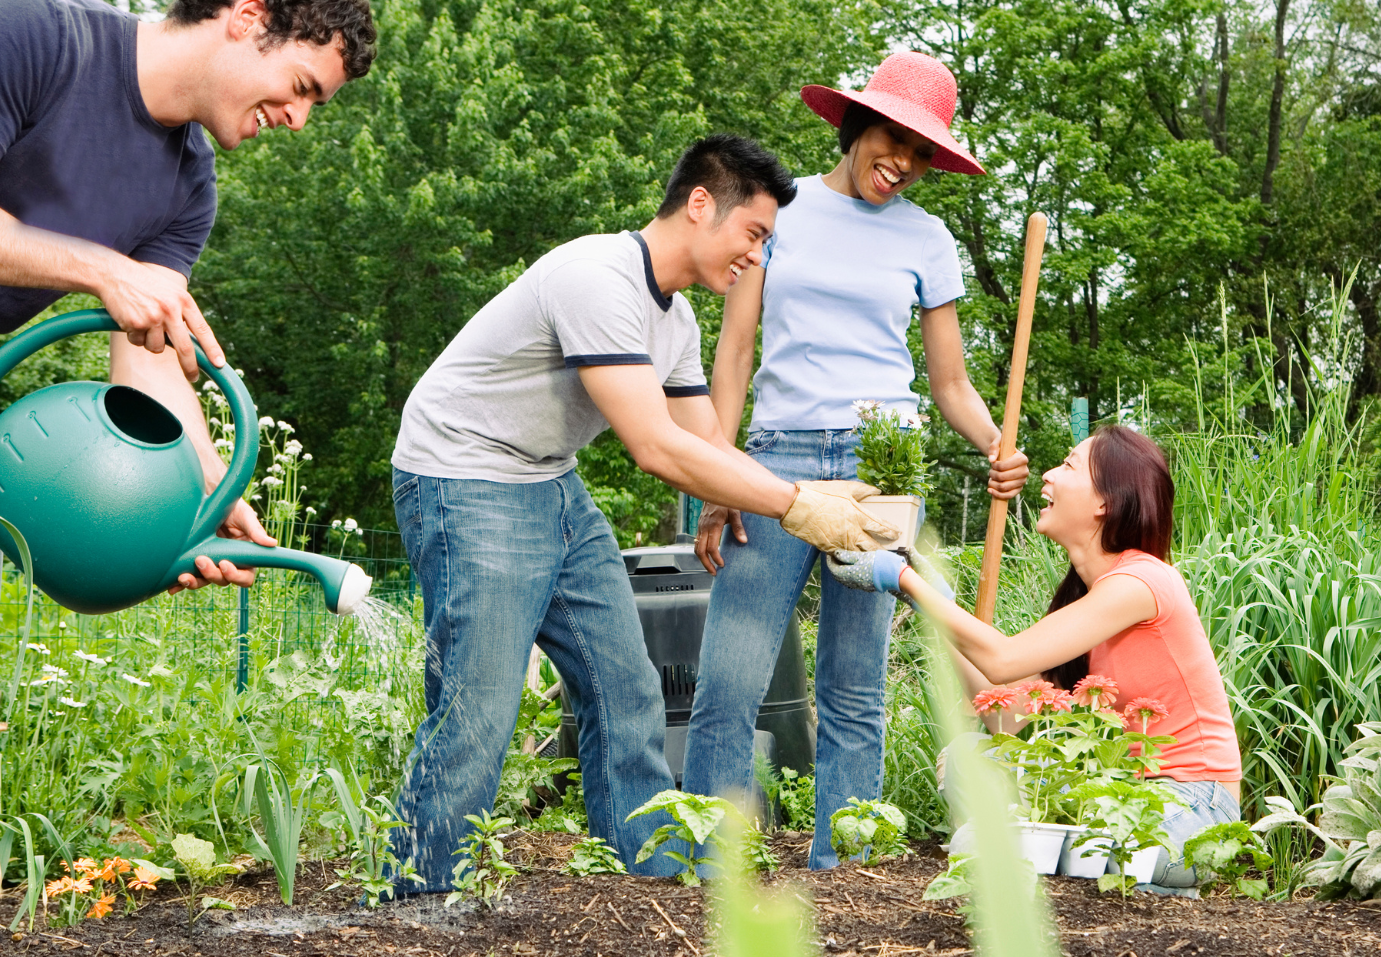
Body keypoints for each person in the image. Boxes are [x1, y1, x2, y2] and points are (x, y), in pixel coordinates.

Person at [387, 135, 899, 889]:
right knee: (481, 708)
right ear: (700, 204)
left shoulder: (678, 324)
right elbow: (656, 448)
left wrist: (787, 498)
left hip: (549, 482)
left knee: (627, 688)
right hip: (463, 478)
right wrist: (798, 505)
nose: (757, 258)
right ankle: (415, 891)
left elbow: (706, 445)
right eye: (753, 234)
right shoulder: (596, 278)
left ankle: (650, 879)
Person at [684, 51, 1029, 870]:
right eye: (891, 139)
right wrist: (714, 476)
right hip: (779, 463)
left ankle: (845, 870)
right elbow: (732, 357)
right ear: (855, 125)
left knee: (855, 689)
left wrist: (996, 445)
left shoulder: (929, 240)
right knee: (728, 680)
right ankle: (706, 863)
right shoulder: (783, 214)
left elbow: (950, 382)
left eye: (920, 154)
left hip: (884, 466)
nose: (902, 164)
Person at [0, 0, 377, 591]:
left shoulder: (189, 189)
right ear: (249, 17)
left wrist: (206, 487)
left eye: (313, 105)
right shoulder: (32, 37)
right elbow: (118, 281)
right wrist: (106, 269)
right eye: (301, 87)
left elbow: (150, 349)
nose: (299, 120)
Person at [833, 425, 1243, 882]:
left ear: (1105, 502)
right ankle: (1126, 886)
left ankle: (1143, 881)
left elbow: (1003, 659)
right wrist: (932, 604)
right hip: (1117, 800)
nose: (1046, 475)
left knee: (993, 844)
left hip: (1192, 810)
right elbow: (1005, 718)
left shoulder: (1143, 583)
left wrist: (908, 581)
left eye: (1068, 465)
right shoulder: (1088, 599)